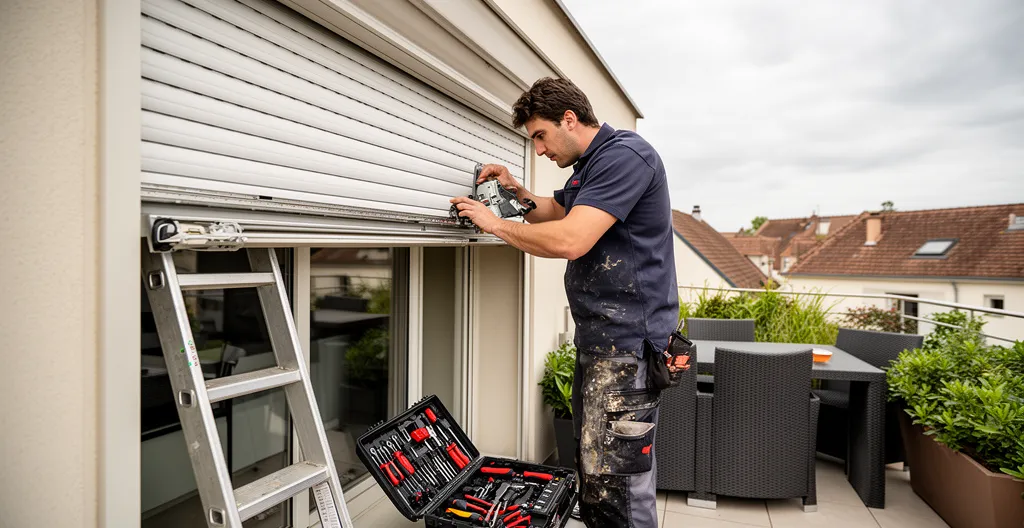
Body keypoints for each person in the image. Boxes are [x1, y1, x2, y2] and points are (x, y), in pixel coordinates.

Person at [450, 77, 678, 528]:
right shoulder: (591, 164)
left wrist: (494, 225)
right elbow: (555, 211)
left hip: (627, 348)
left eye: (540, 136)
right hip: (603, 343)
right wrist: (515, 190)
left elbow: (572, 238)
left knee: (620, 487)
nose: (539, 150)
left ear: (569, 120)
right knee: (596, 473)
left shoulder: (625, 157)